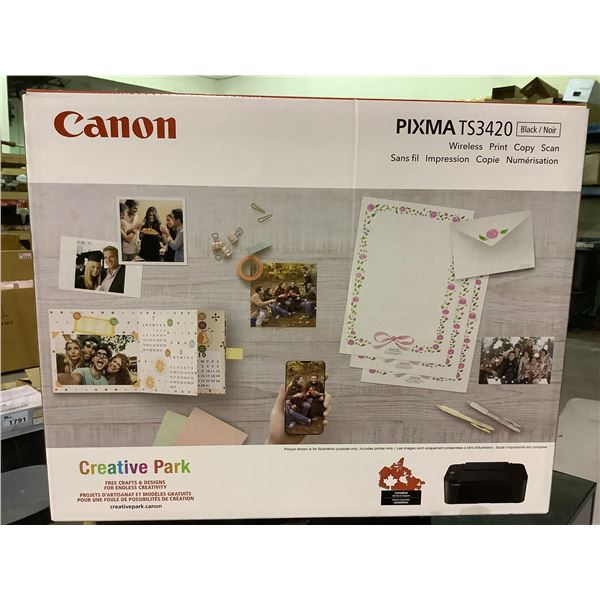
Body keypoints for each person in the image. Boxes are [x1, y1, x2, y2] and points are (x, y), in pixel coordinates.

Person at [266, 385, 332, 444]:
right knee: (291, 411)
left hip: (299, 404)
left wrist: (315, 395)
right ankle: (305, 420)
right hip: (291, 406)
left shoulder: (304, 388)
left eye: (302, 380)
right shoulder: (290, 389)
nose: (301, 381)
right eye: (300, 380)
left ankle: (304, 419)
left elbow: (307, 396)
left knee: (308, 404)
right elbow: (287, 399)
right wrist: (293, 400)